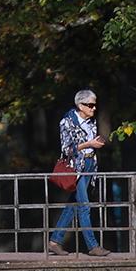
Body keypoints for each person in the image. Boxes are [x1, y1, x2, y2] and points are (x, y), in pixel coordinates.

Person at [49, 89, 110, 256]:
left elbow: (91, 143)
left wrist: (96, 143)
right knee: (84, 206)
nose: (93, 108)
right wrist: (88, 143)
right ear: (80, 105)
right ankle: (93, 246)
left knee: (73, 205)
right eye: (90, 105)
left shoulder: (91, 121)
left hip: (90, 164)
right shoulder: (66, 122)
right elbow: (67, 149)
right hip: (76, 167)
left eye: (94, 105)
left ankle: (54, 241)